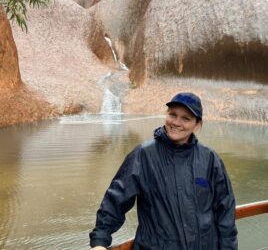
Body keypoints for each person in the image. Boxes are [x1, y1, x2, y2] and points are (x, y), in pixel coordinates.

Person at [89, 92, 238, 250]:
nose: (177, 122)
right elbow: (116, 200)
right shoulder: (143, 155)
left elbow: (225, 211)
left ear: (197, 124)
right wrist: (100, 241)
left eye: (186, 118)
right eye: (173, 115)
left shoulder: (210, 159)